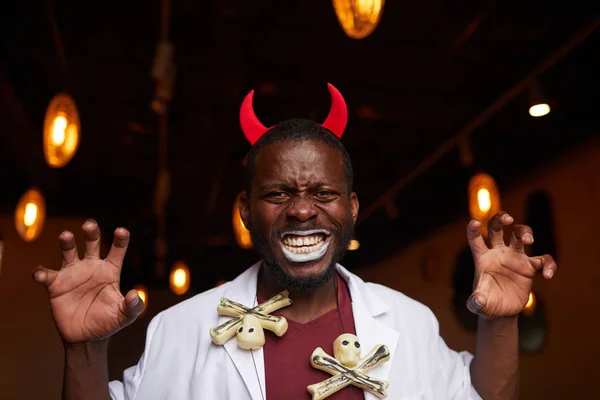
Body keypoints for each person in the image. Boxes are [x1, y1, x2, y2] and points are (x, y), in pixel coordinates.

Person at [33, 84, 557, 400]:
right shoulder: (180, 330)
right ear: (245, 212)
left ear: (351, 210)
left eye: (324, 192)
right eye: (279, 192)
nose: (303, 209)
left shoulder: (410, 322)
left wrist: (502, 321)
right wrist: (82, 351)